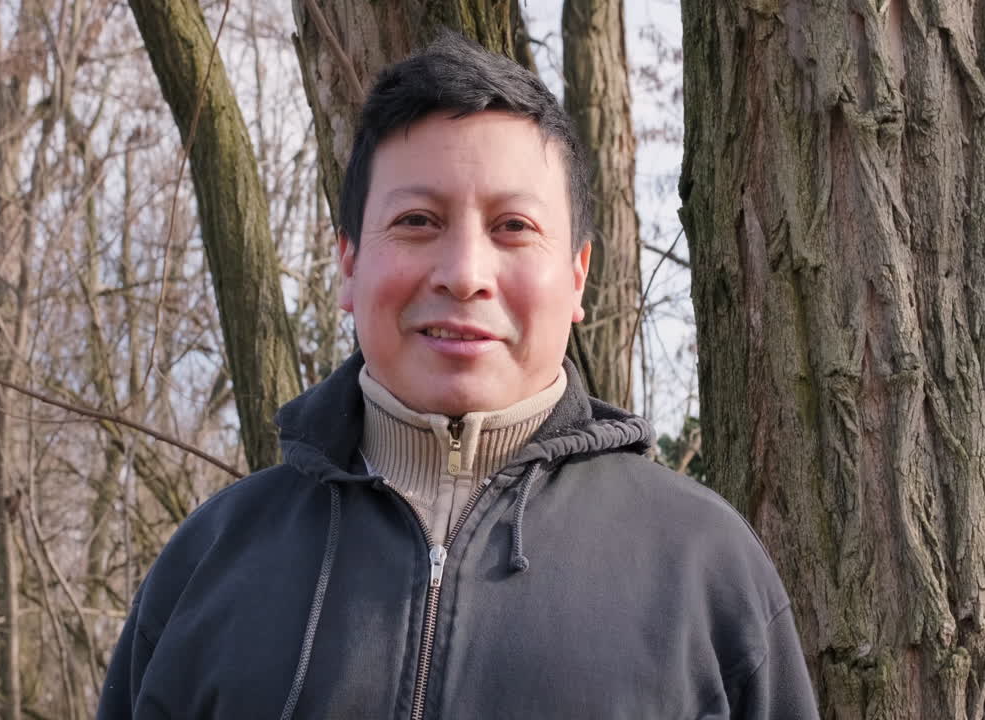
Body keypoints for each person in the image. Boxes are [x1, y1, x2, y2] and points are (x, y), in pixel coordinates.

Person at [97, 32, 818, 720]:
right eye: (417, 221)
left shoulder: (703, 569)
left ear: (577, 277)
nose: (465, 273)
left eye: (513, 227)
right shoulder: (211, 562)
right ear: (349, 263)